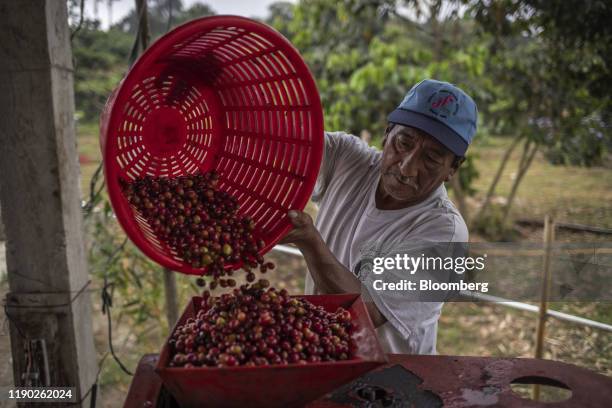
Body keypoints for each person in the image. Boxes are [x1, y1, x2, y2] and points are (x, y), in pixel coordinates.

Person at [280, 79, 478, 354]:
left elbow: (365, 312)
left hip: (392, 376)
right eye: (403, 143)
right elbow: (280, 144)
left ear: (452, 169)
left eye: (432, 158)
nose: (407, 168)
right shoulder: (347, 159)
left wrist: (310, 242)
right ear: (387, 135)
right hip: (325, 353)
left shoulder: (444, 232)